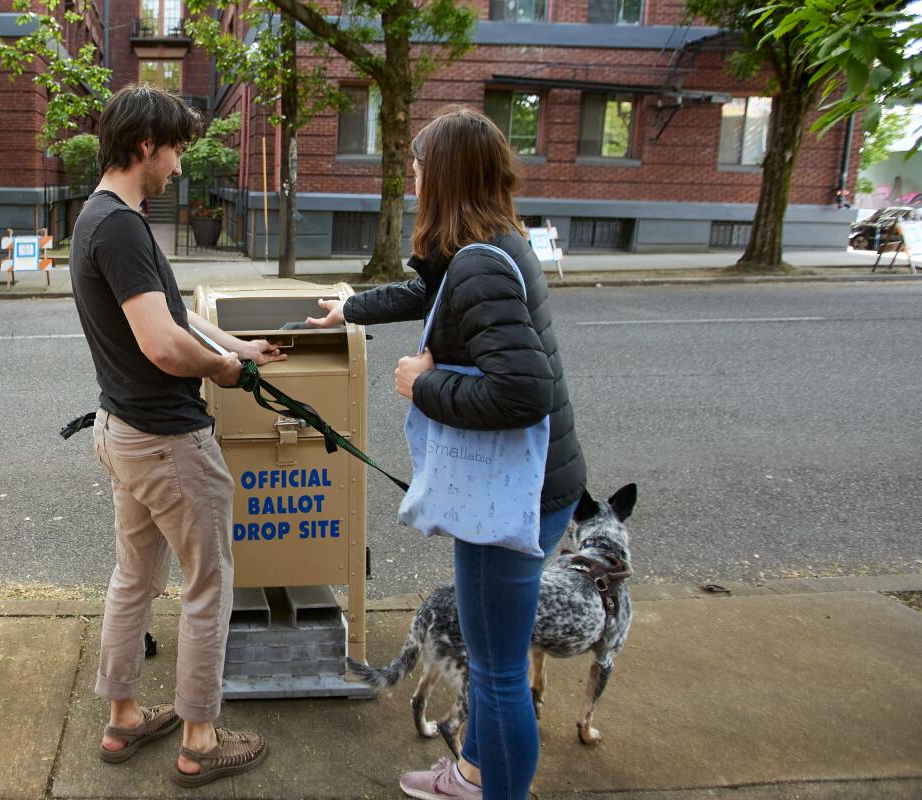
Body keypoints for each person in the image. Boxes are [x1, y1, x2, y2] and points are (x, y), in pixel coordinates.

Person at [307, 107, 588, 799]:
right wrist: (350, 309)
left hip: (512, 496)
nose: (412, 178)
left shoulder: (480, 267)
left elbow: (522, 392)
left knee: (496, 673)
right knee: (494, 663)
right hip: (528, 486)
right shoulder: (488, 248)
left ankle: (495, 787)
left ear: (446, 176)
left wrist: (423, 385)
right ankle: (471, 774)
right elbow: (432, 296)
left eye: (419, 168)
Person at [69, 85, 284, 788]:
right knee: (207, 583)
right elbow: (165, 346)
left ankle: (124, 716)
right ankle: (200, 738)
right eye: (177, 152)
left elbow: (174, 317)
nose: (180, 169)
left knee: (134, 577)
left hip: (122, 432)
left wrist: (238, 345)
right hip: (166, 440)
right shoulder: (124, 229)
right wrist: (222, 370)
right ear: (144, 147)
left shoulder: (98, 217)